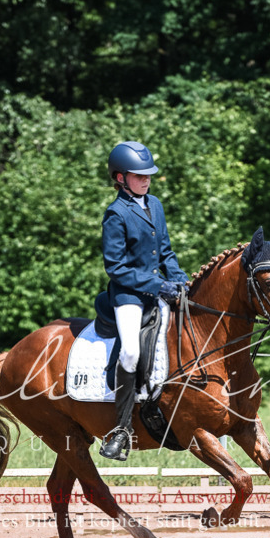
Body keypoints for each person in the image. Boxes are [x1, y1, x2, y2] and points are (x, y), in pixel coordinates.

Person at [96, 141, 190, 461]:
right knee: (132, 352)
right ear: (121, 178)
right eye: (139, 175)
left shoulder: (155, 204)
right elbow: (116, 267)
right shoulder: (116, 213)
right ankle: (121, 429)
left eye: (148, 175)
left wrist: (180, 281)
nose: (146, 179)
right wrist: (158, 284)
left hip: (159, 288)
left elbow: (165, 252)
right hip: (128, 296)